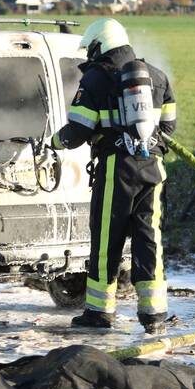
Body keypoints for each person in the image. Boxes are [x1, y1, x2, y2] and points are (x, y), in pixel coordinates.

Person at [50, 18, 176, 334]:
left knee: (107, 239)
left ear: (99, 46)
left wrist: (54, 141)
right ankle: (154, 313)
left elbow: (77, 132)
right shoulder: (156, 76)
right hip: (153, 170)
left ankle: (100, 312)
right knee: (150, 239)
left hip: (116, 171)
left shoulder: (96, 79)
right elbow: (169, 127)